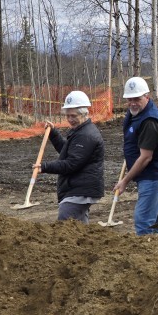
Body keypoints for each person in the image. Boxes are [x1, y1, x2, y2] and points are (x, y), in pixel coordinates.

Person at [114, 76, 158, 235]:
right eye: (129, 99)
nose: (133, 103)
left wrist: (125, 181)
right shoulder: (135, 113)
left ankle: (145, 249)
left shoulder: (150, 121)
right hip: (150, 174)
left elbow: (146, 157)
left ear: (147, 96)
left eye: (137, 99)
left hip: (153, 175)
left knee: (143, 221)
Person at [34, 90, 104, 223]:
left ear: (84, 114)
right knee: (78, 227)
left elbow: (72, 163)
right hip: (77, 188)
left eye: (73, 116)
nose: (70, 119)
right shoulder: (80, 131)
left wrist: (45, 166)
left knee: (65, 223)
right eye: (68, 116)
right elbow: (67, 151)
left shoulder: (86, 135)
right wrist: (54, 134)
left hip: (80, 190)